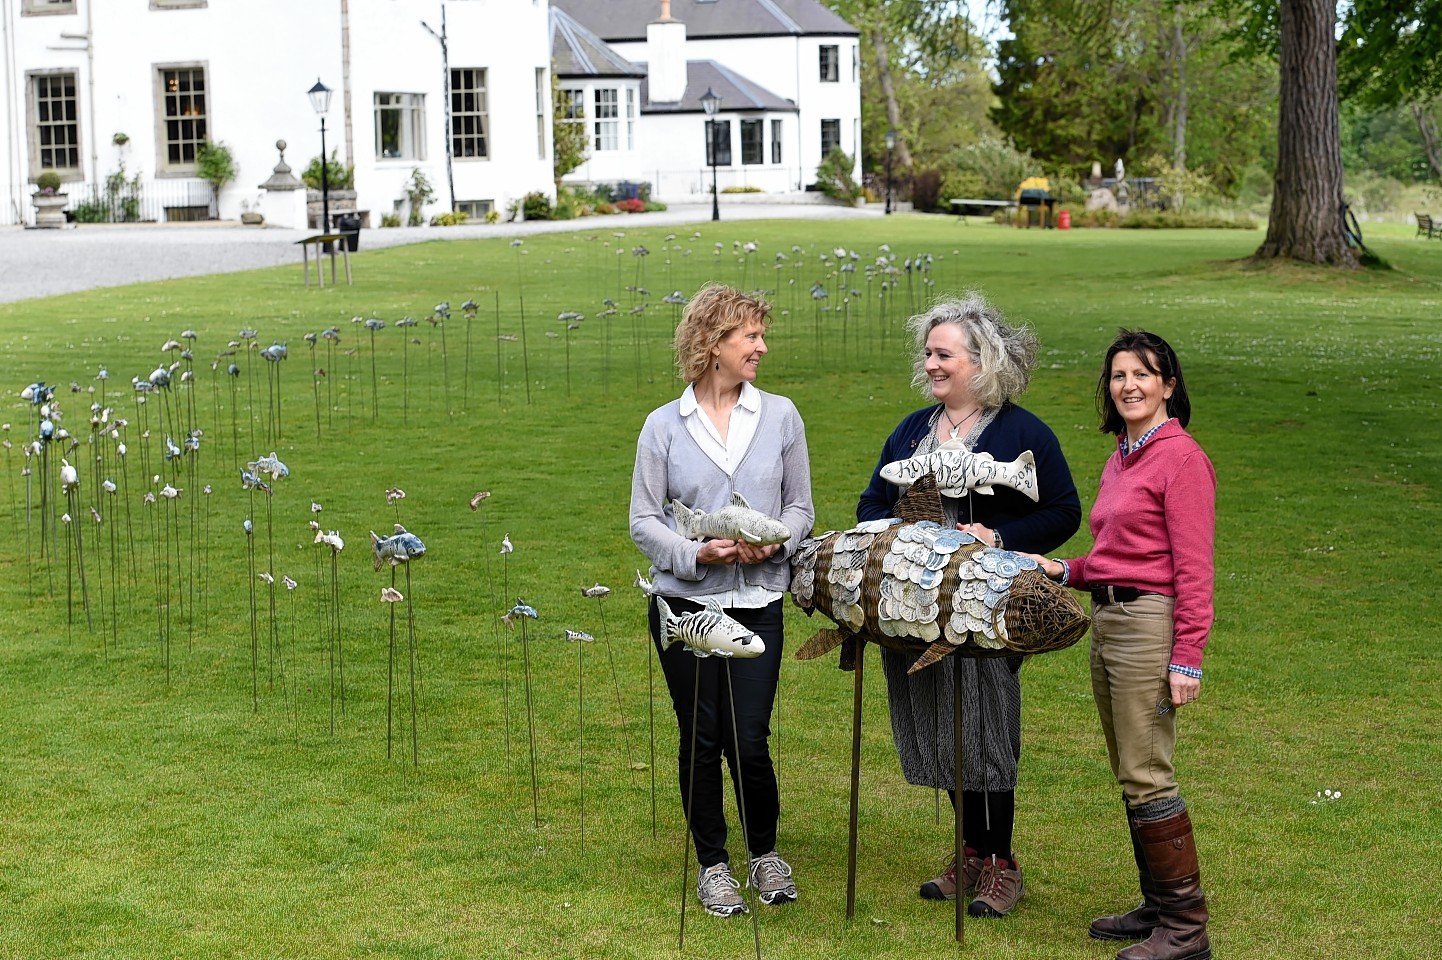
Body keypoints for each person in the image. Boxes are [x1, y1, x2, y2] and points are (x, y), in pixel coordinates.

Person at [857, 295, 1080, 918]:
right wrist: (908, 531)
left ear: (981, 362)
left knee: (985, 727)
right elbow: (870, 503)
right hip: (916, 610)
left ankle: (1002, 862)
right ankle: (973, 850)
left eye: (942, 353)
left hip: (988, 609)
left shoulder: (1023, 432)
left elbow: (1063, 510)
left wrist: (1000, 539)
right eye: (927, 352)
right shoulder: (910, 431)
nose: (930, 363)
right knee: (935, 725)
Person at [630, 282, 814, 918]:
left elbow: (800, 507)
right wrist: (695, 555)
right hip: (685, 607)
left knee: (750, 737)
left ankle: (764, 853)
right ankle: (714, 866)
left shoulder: (782, 416)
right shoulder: (663, 427)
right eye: (751, 337)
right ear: (713, 345)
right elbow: (643, 521)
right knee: (701, 736)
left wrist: (773, 544)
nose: (762, 346)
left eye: (761, 335)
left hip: (759, 597)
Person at [1030, 329, 1215, 960]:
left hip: (1147, 627)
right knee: (1128, 769)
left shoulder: (1181, 458)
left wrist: (1186, 656)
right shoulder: (1122, 454)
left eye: (1144, 374)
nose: (1129, 385)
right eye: (1118, 375)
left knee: (1146, 770)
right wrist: (1065, 570)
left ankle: (1186, 932)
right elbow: (1116, 555)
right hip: (1108, 620)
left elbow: (1192, 569)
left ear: (1168, 385)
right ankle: (1159, 907)